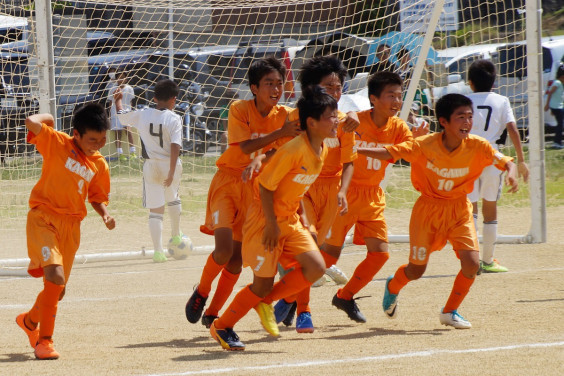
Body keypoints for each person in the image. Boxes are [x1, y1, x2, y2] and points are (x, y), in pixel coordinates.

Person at [358, 93, 518, 329]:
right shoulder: (424, 145)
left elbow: (506, 161)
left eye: (470, 117)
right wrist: (356, 149)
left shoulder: (478, 146)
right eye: (460, 117)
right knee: (416, 270)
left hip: (459, 209)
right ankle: (393, 285)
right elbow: (389, 152)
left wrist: (512, 171)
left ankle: (450, 311)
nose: (467, 122)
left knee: (472, 263)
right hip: (428, 211)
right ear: (443, 121)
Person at [209, 85, 336, 351]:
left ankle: (265, 301)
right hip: (264, 220)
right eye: (331, 117)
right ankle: (221, 326)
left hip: (288, 219)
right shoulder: (293, 150)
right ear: (311, 123)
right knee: (262, 283)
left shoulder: (322, 149)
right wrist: (270, 224)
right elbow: (266, 187)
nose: (336, 120)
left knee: (316, 268)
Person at [185, 57, 301, 328]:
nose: (275, 89)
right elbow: (244, 148)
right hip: (228, 182)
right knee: (223, 251)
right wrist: (280, 133)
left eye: (279, 83)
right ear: (253, 88)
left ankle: (213, 313)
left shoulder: (286, 115)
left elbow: (288, 146)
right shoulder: (239, 108)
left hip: (255, 189)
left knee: (236, 261)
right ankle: (202, 291)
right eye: (268, 83)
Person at [16, 105, 115, 360]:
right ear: (76, 134)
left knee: (58, 289)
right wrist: (48, 118)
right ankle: (44, 342)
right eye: (92, 139)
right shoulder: (57, 142)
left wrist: (104, 214)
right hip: (43, 218)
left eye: (102, 139)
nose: (98, 144)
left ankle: (28, 322)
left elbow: (96, 196)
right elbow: (30, 121)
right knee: (56, 276)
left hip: (71, 227)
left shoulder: (100, 164)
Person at [322, 71, 421, 323]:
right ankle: (292, 299)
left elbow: (409, 151)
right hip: (345, 192)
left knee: (380, 254)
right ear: (374, 99)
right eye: (391, 96)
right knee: (328, 257)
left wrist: (365, 148)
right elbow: (337, 121)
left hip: (372, 196)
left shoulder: (398, 126)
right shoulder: (354, 121)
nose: (397, 102)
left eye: (400, 96)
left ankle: (345, 295)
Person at [269, 55, 358, 333]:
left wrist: (343, 191)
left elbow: (349, 161)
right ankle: (304, 312)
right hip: (302, 187)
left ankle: (288, 298)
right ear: (311, 89)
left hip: (331, 190)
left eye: (339, 87)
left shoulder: (343, 122)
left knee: (317, 252)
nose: (336, 92)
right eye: (329, 87)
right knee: (309, 247)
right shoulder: (293, 119)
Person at [466, 59, 529, 273]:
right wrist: (521, 160)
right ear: (494, 82)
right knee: (490, 208)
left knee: (470, 209)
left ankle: (471, 262)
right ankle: (488, 260)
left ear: (470, 82)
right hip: (493, 157)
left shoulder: (463, 99)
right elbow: (512, 128)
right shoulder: (501, 100)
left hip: (467, 157)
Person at [114, 79, 183, 263]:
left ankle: (158, 252)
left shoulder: (143, 114)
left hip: (151, 165)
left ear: (154, 98)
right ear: (174, 100)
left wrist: (118, 100)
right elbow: (176, 145)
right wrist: (171, 171)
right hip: (171, 164)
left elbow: (121, 116)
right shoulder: (174, 118)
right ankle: (176, 236)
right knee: (173, 197)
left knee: (156, 209)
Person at [108, 68, 137, 161]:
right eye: (119, 77)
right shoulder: (113, 89)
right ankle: (120, 154)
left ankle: (133, 152)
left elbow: (131, 101)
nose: (121, 79)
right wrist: (110, 115)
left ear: (126, 78)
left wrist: (131, 111)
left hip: (126, 112)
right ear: (116, 79)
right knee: (118, 133)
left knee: (128, 130)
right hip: (115, 113)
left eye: (123, 77)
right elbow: (110, 103)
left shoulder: (129, 88)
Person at [544, 64, 564, 149]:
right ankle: (557, 142)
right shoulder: (557, 83)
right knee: (560, 124)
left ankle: (557, 141)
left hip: (558, 107)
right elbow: (550, 93)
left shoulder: (559, 83)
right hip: (557, 107)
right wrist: (547, 105)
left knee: (560, 124)